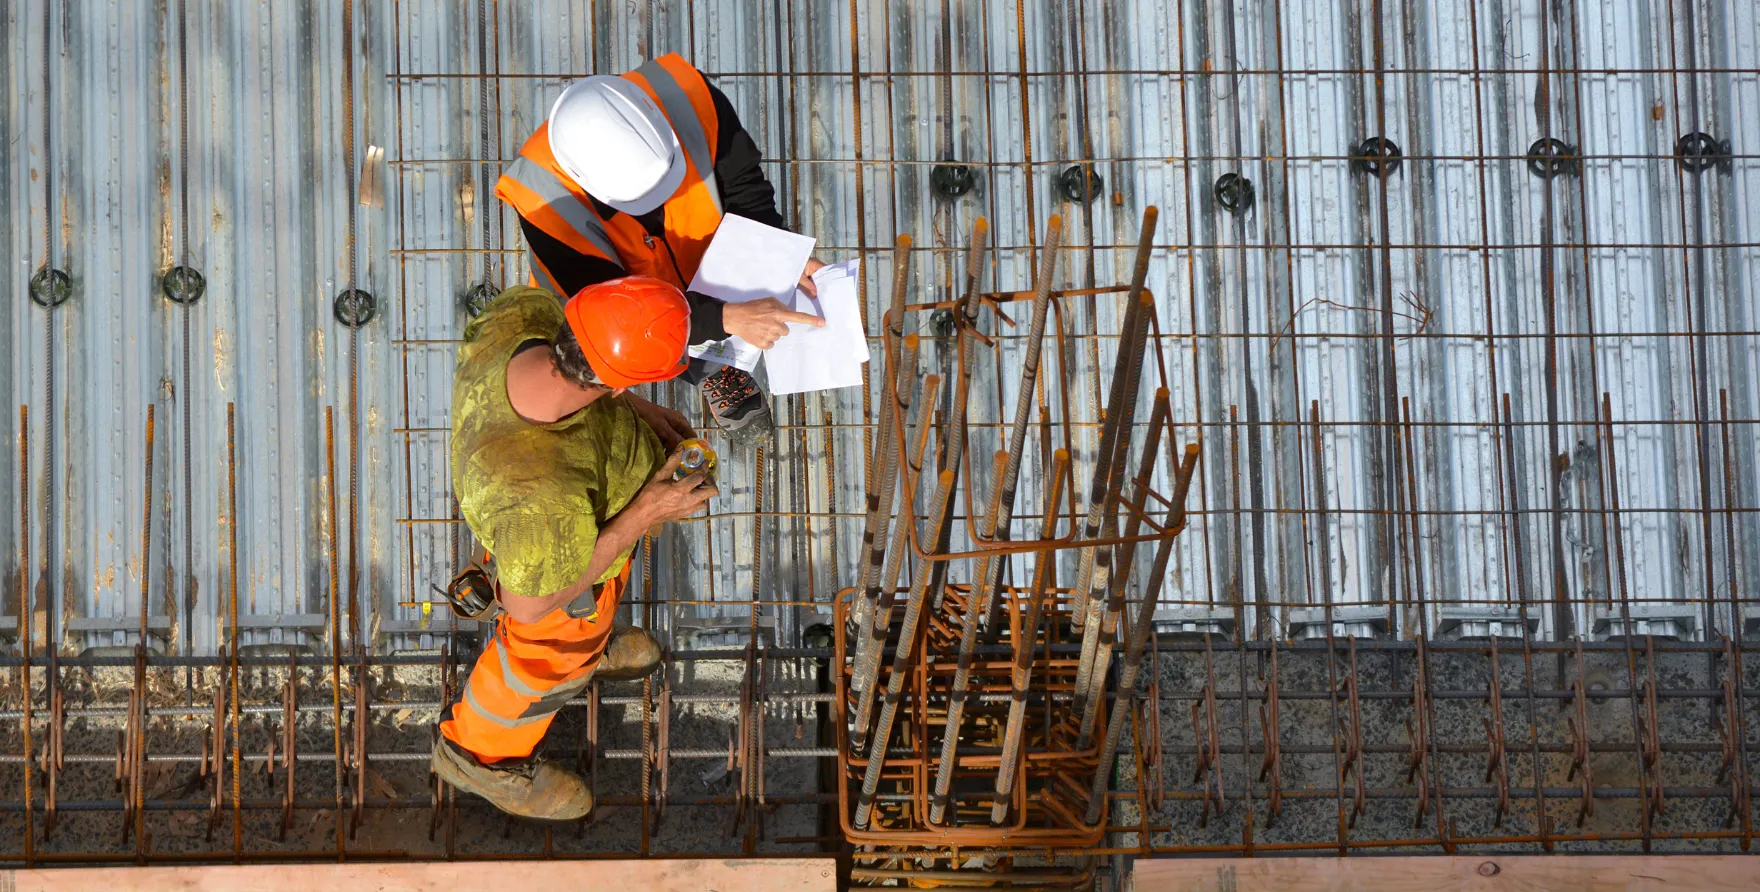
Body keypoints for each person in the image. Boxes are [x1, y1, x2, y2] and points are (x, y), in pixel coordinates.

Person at [431, 274, 714, 820]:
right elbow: (527, 605)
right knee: (540, 662)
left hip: (545, 536)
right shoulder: (541, 497)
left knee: (587, 615)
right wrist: (647, 511)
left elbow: (590, 365)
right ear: (609, 383)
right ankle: (480, 757)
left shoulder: (526, 315)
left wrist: (640, 413)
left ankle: (591, 645)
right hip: (549, 581)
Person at [496, 53, 823, 442]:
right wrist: (723, 319)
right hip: (618, 294)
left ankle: (719, 342)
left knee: (720, 308)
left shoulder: (689, 97)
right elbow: (624, 318)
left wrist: (777, 250)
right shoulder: (542, 201)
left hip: (700, 256)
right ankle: (714, 369)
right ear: (585, 181)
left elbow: (744, 187)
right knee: (663, 340)